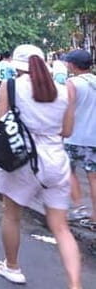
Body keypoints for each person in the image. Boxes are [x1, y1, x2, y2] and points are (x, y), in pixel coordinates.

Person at [0, 44, 80, 288]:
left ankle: (12, 267)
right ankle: (74, 283)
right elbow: (67, 131)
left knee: (12, 215)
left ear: (17, 66)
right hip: (56, 162)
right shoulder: (65, 91)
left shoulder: (10, 86)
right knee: (61, 228)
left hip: (23, 161)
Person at [61, 49, 96, 230]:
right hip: (94, 137)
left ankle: (79, 207)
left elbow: (68, 106)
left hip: (75, 135)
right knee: (93, 176)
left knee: (69, 171)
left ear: (73, 65)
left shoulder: (72, 83)